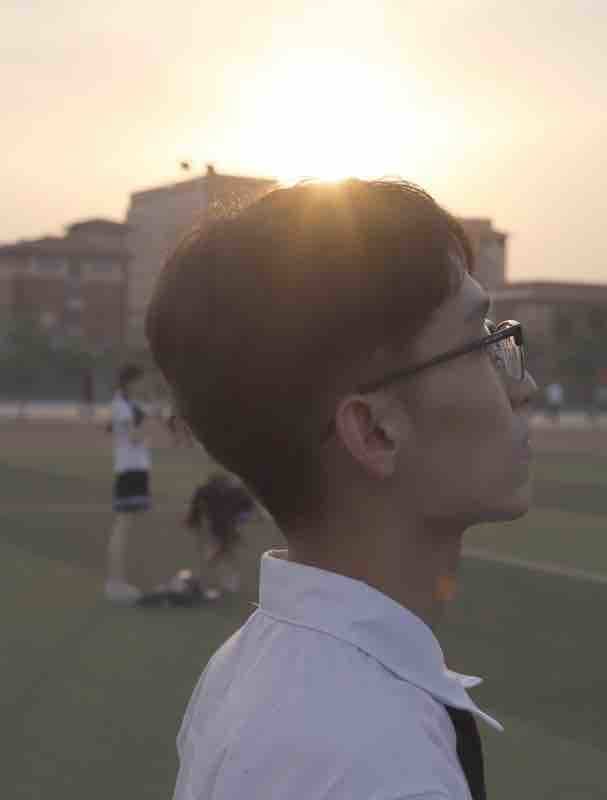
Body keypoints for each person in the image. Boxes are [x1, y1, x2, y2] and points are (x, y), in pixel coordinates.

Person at [147, 179, 537, 800]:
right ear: (375, 432)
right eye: (482, 343)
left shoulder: (251, 666)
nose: (524, 386)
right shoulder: (381, 767)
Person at [105, 363, 151, 604]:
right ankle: (115, 582)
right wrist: (147, 423)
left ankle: (119, 580)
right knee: (122, 525)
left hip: (135, 469)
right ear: (130, 382)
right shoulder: (121, 405)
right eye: (141, 381)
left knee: (127, 525)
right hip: (129, 471)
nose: (144, 385)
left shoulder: (129, 405)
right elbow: (134, 437)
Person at [184, 470, 259, 594]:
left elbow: (195, 507)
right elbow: (249, 507)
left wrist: (193, 520)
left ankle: (206, 578)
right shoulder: (235, 490)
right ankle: (216, 579)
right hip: (225, 525)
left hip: (223, 525)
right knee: (223, 552)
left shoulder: (206, 489)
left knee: (220, 552)